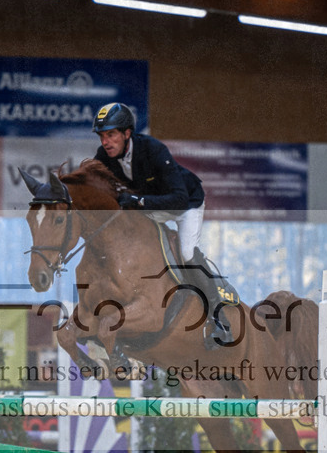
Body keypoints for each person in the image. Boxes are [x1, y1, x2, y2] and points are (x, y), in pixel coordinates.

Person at [91, 102, 233, 347]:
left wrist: (139, 201)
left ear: (127, 133)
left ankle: (219, 318)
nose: (106, 142)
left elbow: (178, 199)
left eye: (111, 134)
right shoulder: (103, 156)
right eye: (102, 136)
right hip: (151, 207)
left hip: (185, 204)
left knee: (186, 253)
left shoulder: (153, 150)